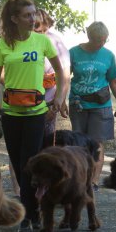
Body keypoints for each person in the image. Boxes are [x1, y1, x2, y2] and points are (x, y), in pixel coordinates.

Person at [0, 0, 68, 232]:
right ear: (14, 19)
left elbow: (62, 72)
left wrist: (60, 98)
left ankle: (27, 216)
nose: (33, 18)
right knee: (16, 161)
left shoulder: (42, 41)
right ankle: (32, 212)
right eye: (27, 15)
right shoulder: (3, 44)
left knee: (28, 163)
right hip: (11, 114)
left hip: (36, 113)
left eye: (34, 14)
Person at [68, 21, 116, 142]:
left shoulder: (108, 55)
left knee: (97, 146)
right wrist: (60, 99)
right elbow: (63, 78)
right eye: (98, 40)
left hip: (101, 105)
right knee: (79, 143)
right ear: (89, 37)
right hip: (78, 105)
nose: (101, 43)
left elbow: (114, 82)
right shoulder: (73, 53)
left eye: (104, 40)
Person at [32, 8, 70, 138]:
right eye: (36, 30)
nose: (40, 33)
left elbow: (65, 76)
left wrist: (59, 101)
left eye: (44, 30)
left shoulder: (56, 42)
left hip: (48, 102)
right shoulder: (20, 41)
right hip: (23, 103)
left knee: (46, 141)